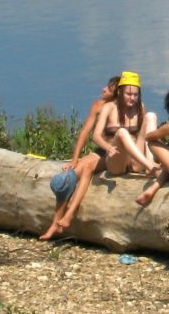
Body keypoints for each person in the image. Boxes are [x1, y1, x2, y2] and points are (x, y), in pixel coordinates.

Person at [39, 74, 120, 241]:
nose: (103, 89)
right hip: (100, 151)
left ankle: (70, 213)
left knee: (88, 167)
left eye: (108, 88)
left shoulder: (121, 109)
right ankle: (55, 222)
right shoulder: (97, 106)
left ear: (116, 93)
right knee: (68, 177)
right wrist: (74, 159)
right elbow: (84, 133)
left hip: (113, 155)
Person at [92, 70, 159, 176]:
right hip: (116, 161)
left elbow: (146, 135)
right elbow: (96, 136)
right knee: (122, 132)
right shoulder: (109, 107)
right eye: (129, 94)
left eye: (135, 95)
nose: (132, 98)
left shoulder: (140, 107)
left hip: (136, 161)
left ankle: (150, 162)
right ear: (120, 92)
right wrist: (107, 148)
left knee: (151, 116)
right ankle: (150, 166)